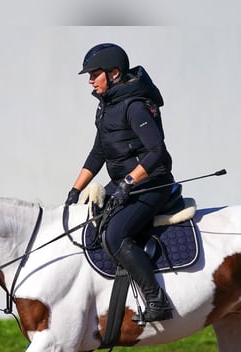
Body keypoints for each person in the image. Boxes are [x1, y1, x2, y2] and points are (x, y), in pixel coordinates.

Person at [66, 43, 175, 323]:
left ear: (113, 73)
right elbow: (98, 152)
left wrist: (128, 182)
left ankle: (156, 300)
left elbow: (156, 151)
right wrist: (75, 189)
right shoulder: (106, 107)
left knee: (115, 235)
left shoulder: (135, 106)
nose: (90, 80)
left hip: (152, 184)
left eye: (94, 74)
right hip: (124, 182)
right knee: (90, 223)